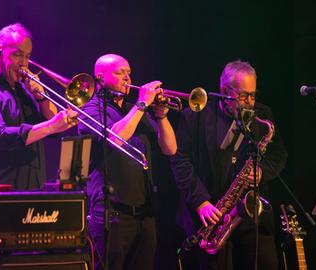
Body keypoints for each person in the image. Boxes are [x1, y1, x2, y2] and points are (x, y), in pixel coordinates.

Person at [171, 60, 288, 270]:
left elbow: (279, 155)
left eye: (253, 95)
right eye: (243, 95)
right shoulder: (195, 115)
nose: (250, 102)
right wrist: (200, 202)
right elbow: (180, 160)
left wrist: (261, 172)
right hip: (211, 218)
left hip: (252, 219)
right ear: (225, 91)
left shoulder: (263, 115)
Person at [78, 54, 177, 270]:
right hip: (111, 213)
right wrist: (142, 104)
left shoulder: (134, 110)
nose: (127, 78)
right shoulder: (90, 110)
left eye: (129, 72)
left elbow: (170, 149)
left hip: (144, 212)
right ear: (100, 78)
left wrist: (161, 117)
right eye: (119, 72)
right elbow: (116, 138)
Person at [0, 23, 78, 190]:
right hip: (0, 190)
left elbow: (49, 125)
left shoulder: (25, 89)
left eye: (27, 56)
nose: (24, 63)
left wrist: (41, 98)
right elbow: (0, 137)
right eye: (18, 55)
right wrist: (51, 126)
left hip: (33, 188)